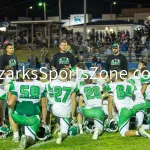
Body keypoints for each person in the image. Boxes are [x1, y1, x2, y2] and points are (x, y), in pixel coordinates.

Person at [8, 69, 47, 149]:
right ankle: (26, 137)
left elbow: (10, 103)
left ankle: (16, 135)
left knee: (10, 111)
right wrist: (43, 120)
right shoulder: (41, 85)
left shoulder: (17, 85)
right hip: (32, 118)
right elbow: (44, 106)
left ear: (23, 75)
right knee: (32, 139)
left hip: (18, 117)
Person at [106, 72, 150, 138]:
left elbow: (110, 103)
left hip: (124, 110)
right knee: (134, 124)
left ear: (116, 79)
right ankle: (138, 127)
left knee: (123, 133)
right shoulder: (130, 84)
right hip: (133, 108)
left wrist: (110, 116)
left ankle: (139, 132)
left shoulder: (112, 85)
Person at [48, 68, 77, 144]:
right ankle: (61, 134)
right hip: (65, 111)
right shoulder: (72, 84)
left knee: (47, 107)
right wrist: (73, 115)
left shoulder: (53, 82)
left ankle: (47, 128)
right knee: (65, 132)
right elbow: (73, 101)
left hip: (54, 109)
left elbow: (49, 95)